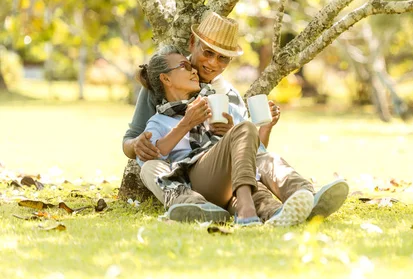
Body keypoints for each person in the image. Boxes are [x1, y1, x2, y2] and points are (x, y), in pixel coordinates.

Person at [122, 12, 348, 223]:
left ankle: (301, 200)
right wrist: (138, 144)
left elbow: (254, 154)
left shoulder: (227, 95)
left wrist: (260, 130)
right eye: (208, 53)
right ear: (193, 44)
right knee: (150, 166)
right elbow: (135, 141)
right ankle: (215, 207)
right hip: (190, 174)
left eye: (223, 58)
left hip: (227, 177)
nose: (213, 64)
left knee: (266, 161)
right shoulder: (162, 82)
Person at [136, 46, 314, 226]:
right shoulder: (159, 121)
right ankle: (241, 210)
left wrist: (255, 130)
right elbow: (150, 159)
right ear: (166, 78)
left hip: (230, 185)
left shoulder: (219, 106)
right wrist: (186, 123)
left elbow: (255, 153)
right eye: (185, 66)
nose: (194, 70)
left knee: (263, 196)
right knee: (244, 130)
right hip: (196, 183)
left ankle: (291, 209)